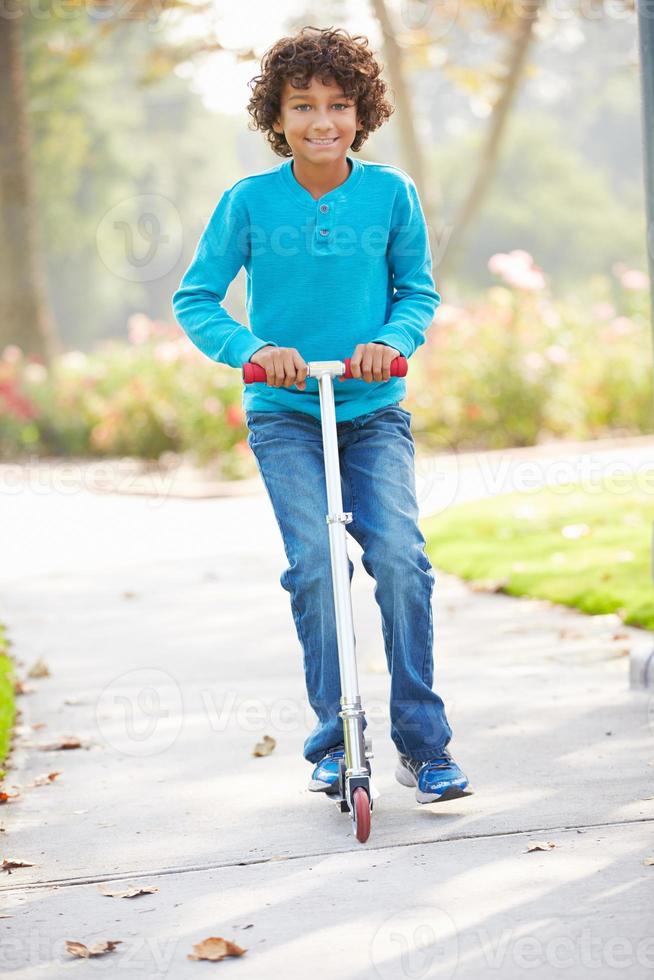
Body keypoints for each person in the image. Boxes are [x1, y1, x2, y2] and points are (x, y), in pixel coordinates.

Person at [172, 25, 472, 805]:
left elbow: (419, 293)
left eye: (338, 105)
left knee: (402, 561)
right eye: (302, 105)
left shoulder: (391, 194)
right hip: (286, 414)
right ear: (276, 117)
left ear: (361, 113)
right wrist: (252, 349)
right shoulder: (248, 201)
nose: (321, 121)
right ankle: (336, 741)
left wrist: (390, 340)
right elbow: (196, 298)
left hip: (372, 410)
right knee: (316, 568)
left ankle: (425, 743)